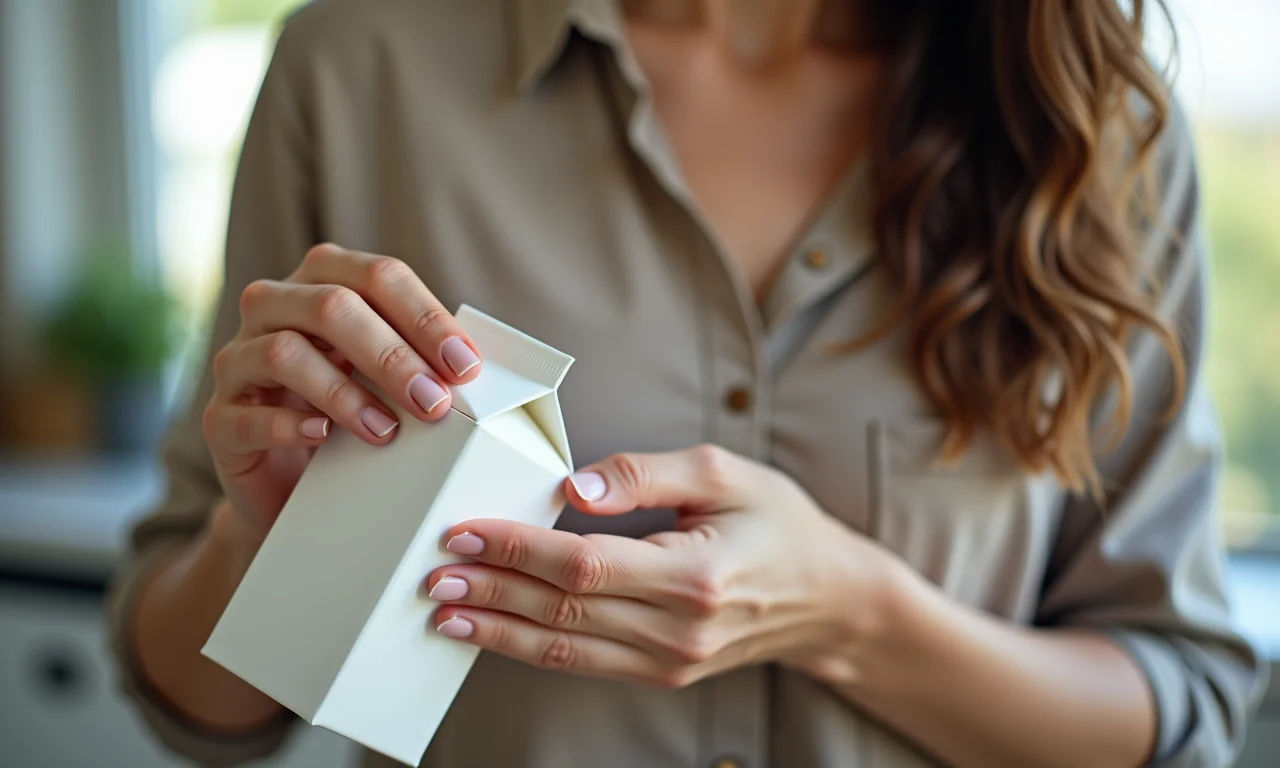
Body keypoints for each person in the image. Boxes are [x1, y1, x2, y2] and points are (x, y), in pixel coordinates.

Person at [106, 1, 1268, 766]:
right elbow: (193, 704)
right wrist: (264, 543)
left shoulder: (1084, 111)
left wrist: (847, 615)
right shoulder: (359, 65)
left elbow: (1181, 702)